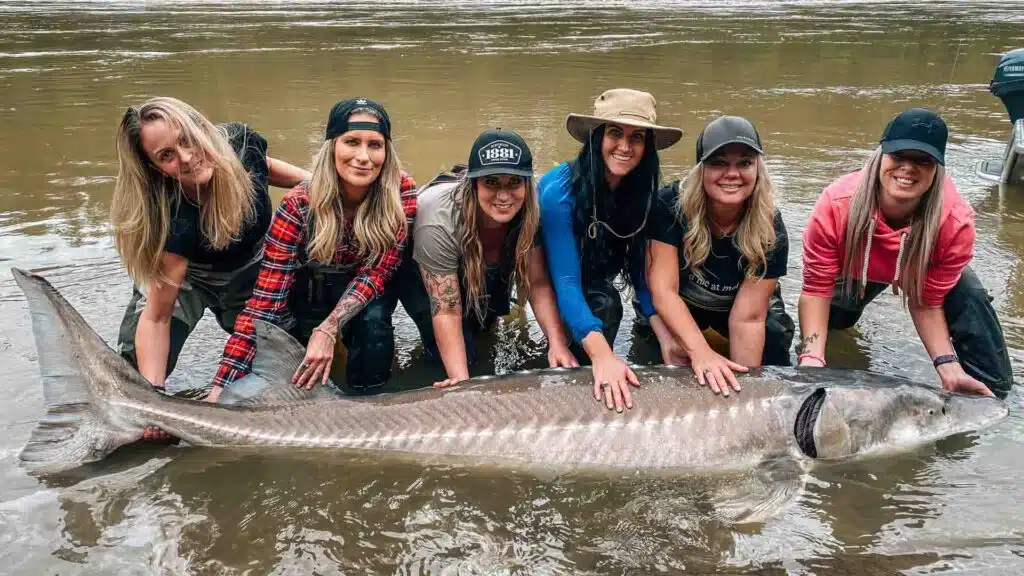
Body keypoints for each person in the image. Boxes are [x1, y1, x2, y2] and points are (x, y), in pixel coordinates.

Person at [208, 97, 417, 402]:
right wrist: (220, 386)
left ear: (387, 152)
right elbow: (265, 302)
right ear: (332, 146)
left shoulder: (402, 192)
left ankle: (368, 401)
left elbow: (379, 271)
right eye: (352, 142)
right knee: (289, 368)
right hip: (309, 290)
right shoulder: (298, 203)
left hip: (366, 289)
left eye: (375, 145)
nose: (363, 156)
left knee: (374, 329)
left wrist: (330, 328)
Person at [797, 107, 1013, 399]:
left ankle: (988, 390)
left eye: (923, 160)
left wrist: (947, 366)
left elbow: (926, 303)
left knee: (970, 298)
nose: (908, 168)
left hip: (918, 264)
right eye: (898, 156)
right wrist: (812, 361)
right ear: (880, 156)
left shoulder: (955, 222)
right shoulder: (836, 204)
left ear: (937, 168)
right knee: (834, 325)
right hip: (858, 264)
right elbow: (816, 289)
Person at [112, 96, 309, 396]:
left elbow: (265, 166)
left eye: (187, 140)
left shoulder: (241, 143)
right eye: (167, 155)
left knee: (285, 368)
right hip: (187, 276)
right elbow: (157, 317)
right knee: (132, 380)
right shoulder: (173, 219)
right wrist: (154, 396)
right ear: (156, 169)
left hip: (249, 266)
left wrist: (320, 183)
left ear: (201, 128)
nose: (187, 157)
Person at [538, 88, 682, 412]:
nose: (625, 147)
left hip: (592, 269)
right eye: (615, 133)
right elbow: (565, 283)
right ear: (597, 137)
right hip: (550, 276)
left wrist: (666, 336)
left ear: (647, 147)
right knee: (604, 305)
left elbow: (639, 273)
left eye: (637, 138)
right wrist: (604, 356)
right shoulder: (558, 193)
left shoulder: (642, 193)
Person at [401, 128, 578, 387]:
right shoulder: (438, 220)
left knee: (484, 329)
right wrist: (461, 383)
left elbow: (538, 285)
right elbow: (447, 311)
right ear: (473, 184)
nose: (504, 196)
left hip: (488, 261)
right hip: (422, 272)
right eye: (491, 182)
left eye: (514, 182)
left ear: (527, 184)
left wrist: (557, 344)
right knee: (461, 360)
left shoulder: (534, 209)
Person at [643, 115, 795, 397]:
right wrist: (700, 352)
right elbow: (664, 291)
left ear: (758, 169)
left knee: (773, 345)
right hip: (682, 301)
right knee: (652, 364)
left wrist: (743, 392)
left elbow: (747, 319)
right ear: (701, 169)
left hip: (735, 307)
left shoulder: (771, 228)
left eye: (745, 163)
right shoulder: (669, 204)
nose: (732, 174)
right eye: (719, 163)